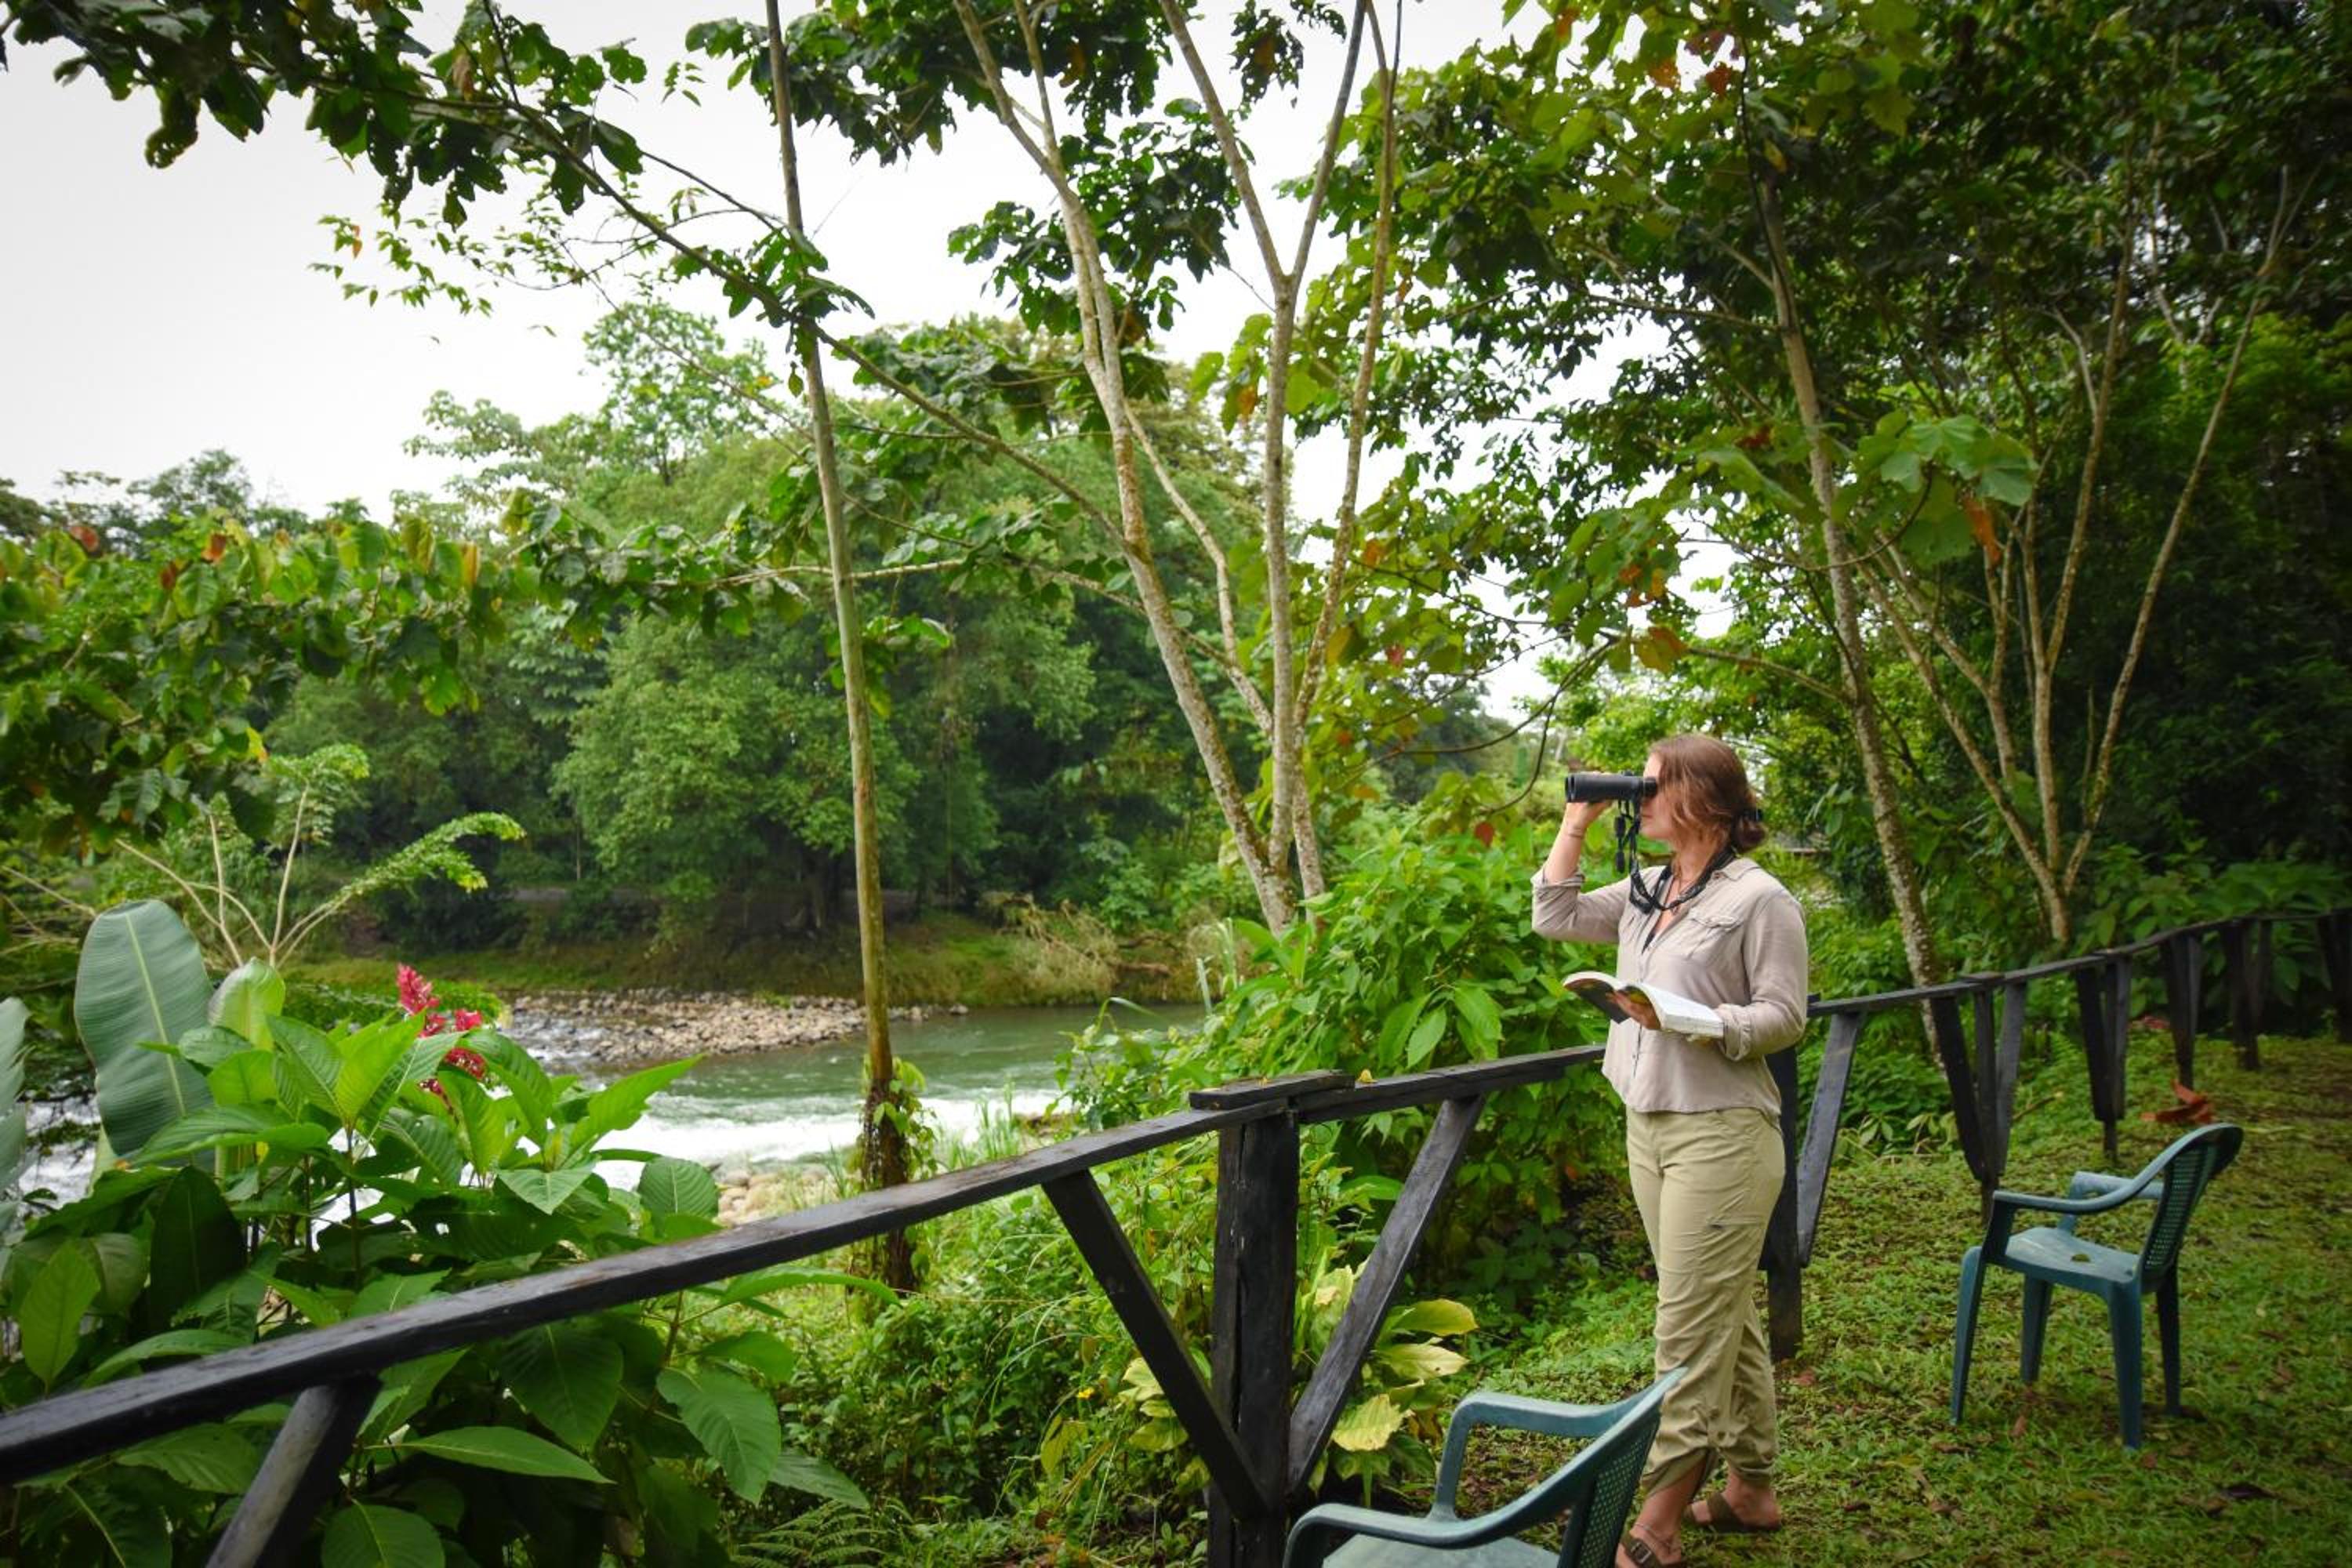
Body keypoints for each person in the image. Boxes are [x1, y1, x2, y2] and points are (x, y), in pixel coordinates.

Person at [1532, 734, 1809, 1568]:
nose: (1637, 794)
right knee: (1725, 1314)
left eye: (1650, 783)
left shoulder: (1762, 900)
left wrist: (1696, 1020)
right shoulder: (1653, 885)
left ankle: (1655, 1520)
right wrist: (1577, 821)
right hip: (1648, 1121)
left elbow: (1786, 1015)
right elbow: (1555, 915)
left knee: (1684, 1331)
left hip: (1722, 1131)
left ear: (1705, 799)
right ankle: (1752, 1487)